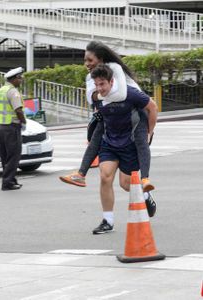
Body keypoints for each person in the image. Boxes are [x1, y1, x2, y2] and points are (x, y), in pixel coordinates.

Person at [60, 41, 154, 193]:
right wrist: (99, 96)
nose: (86, 64)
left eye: (90, 60)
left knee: (128, 176)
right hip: (111, 115)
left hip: (134, 115)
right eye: (85, 60)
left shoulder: (116, 71)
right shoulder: (94, 76)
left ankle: (145, 181)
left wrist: (150, 131)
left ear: (101, 59)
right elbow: (92, 99)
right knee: (96, 138)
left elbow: (122, 94)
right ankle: (80, 174)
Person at [91, 64, 158, 234]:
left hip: (129, 142)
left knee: (126, 184)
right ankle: (108, 220)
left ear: (112, 81)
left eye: (102, 84)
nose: (99, 88)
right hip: (110, 143)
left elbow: (153, 107)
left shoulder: (129, 93)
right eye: (96, 84)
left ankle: (144, 195)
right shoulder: (98, 97)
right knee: (105, 177)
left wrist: (149, 132)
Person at [0, 67, 26, 190]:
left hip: (0, 126)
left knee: (5, 156)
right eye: (19, 78)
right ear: (13, 79)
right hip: (11, 126)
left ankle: (11, 180)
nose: (21, 80)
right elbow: (18, 109)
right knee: (14, 156)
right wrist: (23, 122)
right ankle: (7, 183)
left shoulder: (1, 90)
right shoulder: (13, 92)